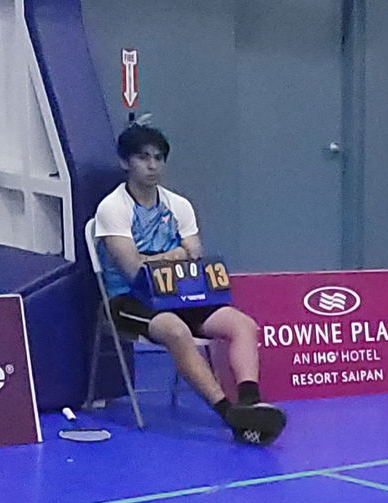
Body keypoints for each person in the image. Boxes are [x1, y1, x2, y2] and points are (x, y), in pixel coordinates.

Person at [93, 124, 286, 446]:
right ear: (126, 163)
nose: (152, 166)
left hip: (180, 294)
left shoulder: (178, 205)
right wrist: (175, 254)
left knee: (242, 325)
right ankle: (228, 413)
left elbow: (194, 254)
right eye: (143, 158)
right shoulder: (113, 208)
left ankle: (250, 402)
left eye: (158, 158)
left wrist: (166, 257)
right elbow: (133, 270)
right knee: (176, 330)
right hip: (126, 300)